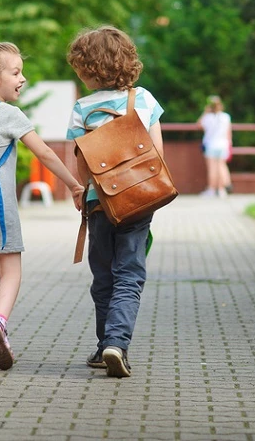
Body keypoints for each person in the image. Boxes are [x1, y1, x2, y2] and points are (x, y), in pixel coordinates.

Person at [0, 39, 85, 370]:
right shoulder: (9, 114)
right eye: (16, 72)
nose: (22, 78)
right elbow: (46, 153)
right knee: (10, 269)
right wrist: (73, 184)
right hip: (0, 208)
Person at [65, 26, 165, 378]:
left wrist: (81, 190)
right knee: (130, 275)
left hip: (99, 203)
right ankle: (116, 344)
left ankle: (103, 344)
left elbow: (80, 160)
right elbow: (157, 153)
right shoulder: (144, 100)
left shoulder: (81, 109)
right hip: (138, 199)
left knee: (104, 275)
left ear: (89, 69)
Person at [198, 95, 233, 198]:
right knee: (221, 166)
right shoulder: (226, 117)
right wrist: (229, 145)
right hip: (223, 144)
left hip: (211, 144)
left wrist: (205, 112)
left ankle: (212, 190)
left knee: (212, 168)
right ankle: (222, 190)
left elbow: (199, 124)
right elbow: (228, 132)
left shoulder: (207, 117)